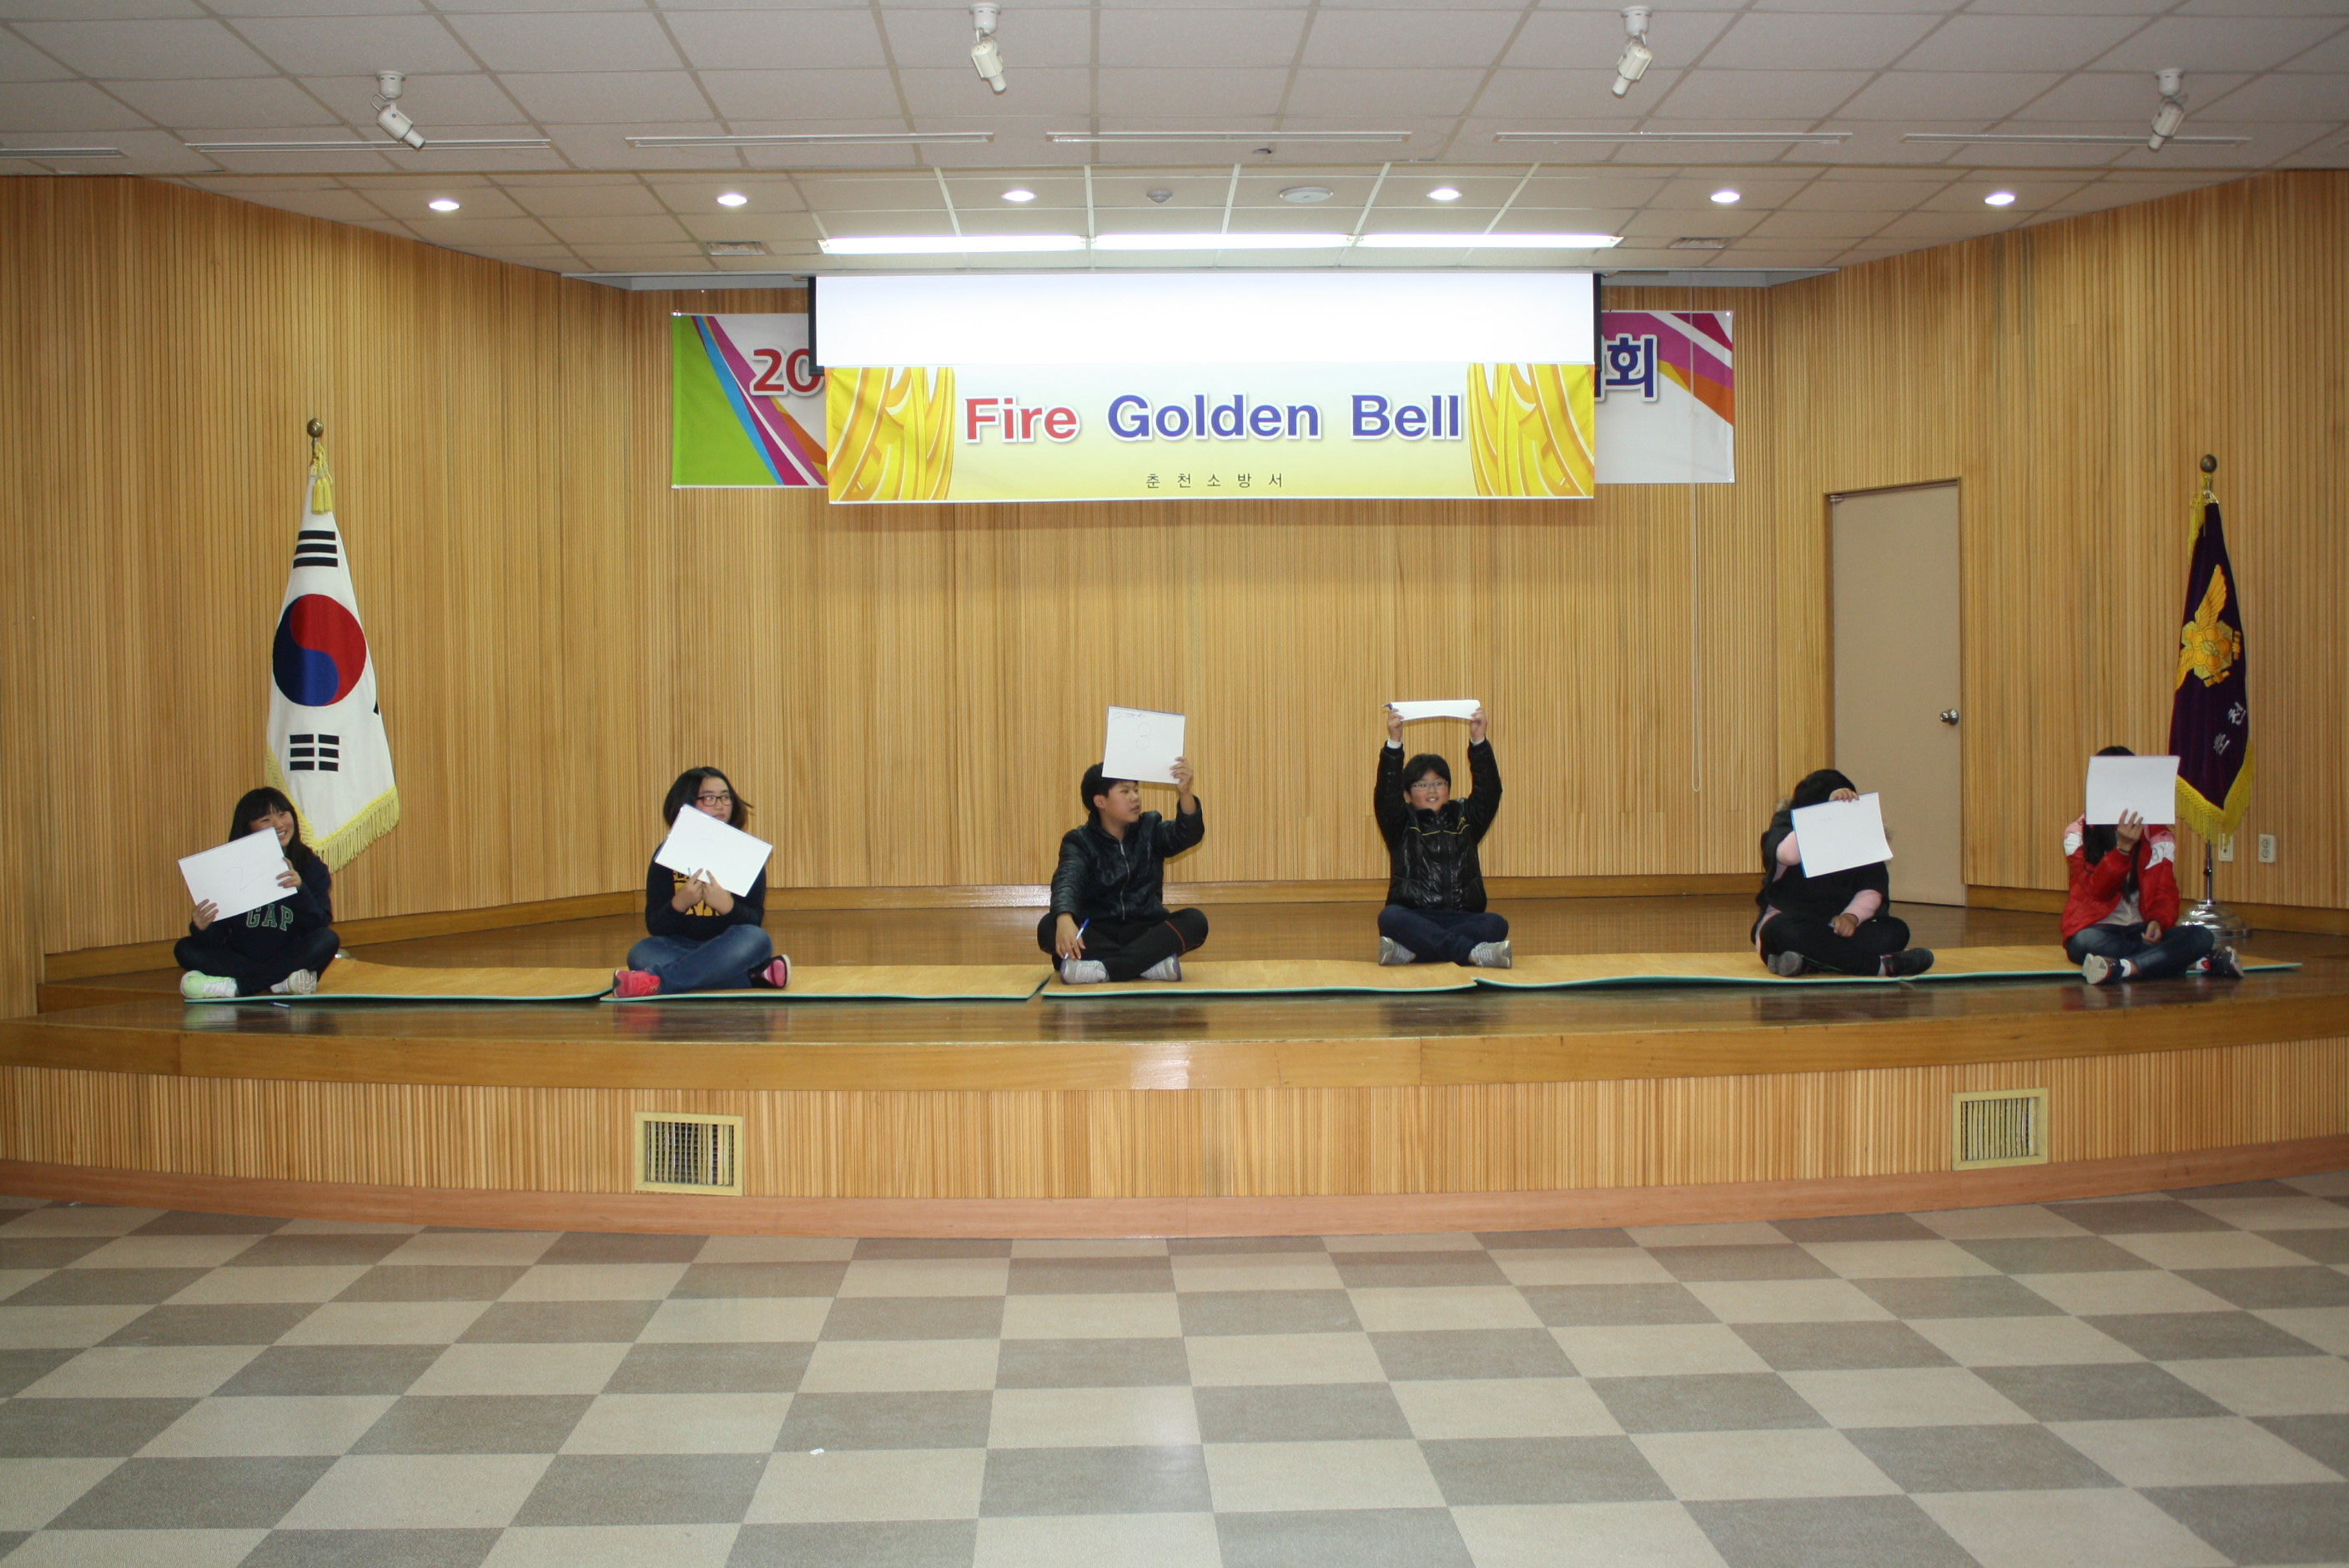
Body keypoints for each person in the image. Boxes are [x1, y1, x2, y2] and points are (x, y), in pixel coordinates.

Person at [2064, 746, 2241, 985]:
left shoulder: (2158, 835)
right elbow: (2098, 892)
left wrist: (2157, 921)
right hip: (2097, 928)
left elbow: (2164, 892)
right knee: (2084, 943)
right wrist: (2123, 850)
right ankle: (2194, 962)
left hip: (2141, 929)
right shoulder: (2078, 834)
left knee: (2202, 936)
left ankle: (2124, 968)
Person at [613, 767, 788, 998]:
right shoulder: (668, 853)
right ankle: (751, 977)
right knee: (641, 953)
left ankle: (658, 982)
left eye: (725, 797)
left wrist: (728, 907)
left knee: (757, 940)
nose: (720, 805)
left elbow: (754, 921)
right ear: (686, 803)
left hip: (730, 945)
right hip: (680, 946)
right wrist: (679, 903)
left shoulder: (745, 852)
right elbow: (655, 925)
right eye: (709, 798)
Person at [1753, 768, 1934, 977]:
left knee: (1895, 931)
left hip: (1839, 927)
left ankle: (1811, 962)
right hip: (1796, 921)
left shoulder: (1861, 833)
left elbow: (1871, 889)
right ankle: (1878, 967)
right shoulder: (1784, 826)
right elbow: (1788, 855)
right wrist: (1825, 815)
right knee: (1780, 930)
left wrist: (1851, 917)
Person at [1042, 757, 1207, 984]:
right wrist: (1064, 918)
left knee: (1195, 921)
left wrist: (1185, 793)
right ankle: (1146, 965)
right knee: (1049, 927)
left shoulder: (1150, 828)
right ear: (1100, 801)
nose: (1135, 797)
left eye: (1136, 790)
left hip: (1146, 930)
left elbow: (1187, 834)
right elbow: (1067, 880)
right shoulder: (1079, 841)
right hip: (1098, 930)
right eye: (1125, 791)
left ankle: (1102, 970)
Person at [1375, 705, 1510, 967]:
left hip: (1461, 917)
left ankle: (1413, 951)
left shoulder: (1466, 818)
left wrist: (1479, 740)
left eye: (1439, 783)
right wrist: (1394, 742)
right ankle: (1473, 953)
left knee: (1496, 924)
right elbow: (1385, 793)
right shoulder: (1400, 822)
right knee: (1390, 918)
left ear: (1448, 787)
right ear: (1408, 793)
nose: (1432, 790)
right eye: (1422, 784)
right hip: (1414, 916)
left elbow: (1489, 792)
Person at [176, 787, 340, 1000]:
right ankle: (278, 982)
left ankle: (239, 987)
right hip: (244, 958)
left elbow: (318, 925)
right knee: (185, 948)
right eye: (265, 819)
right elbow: (216, 938)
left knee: (327, 939)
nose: (278, 824)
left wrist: (300, 890)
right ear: (248, 827)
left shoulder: (311, 866)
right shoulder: (229, 868)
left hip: (291, 956)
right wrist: (201, 928)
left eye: (283, 814)